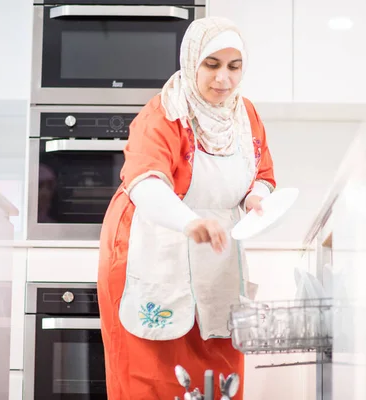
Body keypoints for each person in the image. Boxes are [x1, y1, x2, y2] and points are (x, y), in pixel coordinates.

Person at [97, 16, 276, 400]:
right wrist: (188, 221)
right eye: (211, 65)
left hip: (218, 250)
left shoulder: (245, 115)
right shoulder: (164, 113)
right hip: (153, 238)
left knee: (218, 362)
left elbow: (261, 174)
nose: (223, 79)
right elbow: (145, 184)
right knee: (155, 370)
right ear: (191, 60)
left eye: (234, 66)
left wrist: (255, 198)